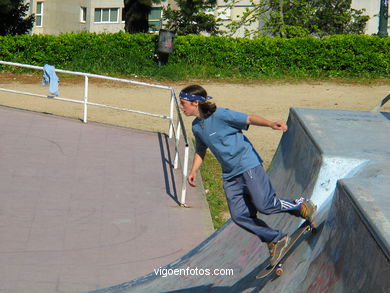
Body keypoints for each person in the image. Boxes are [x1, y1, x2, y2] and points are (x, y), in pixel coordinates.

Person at [178, 84, 317, 266]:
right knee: (239, 215)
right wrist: (194, 170)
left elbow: (249, 119)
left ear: (195, 103)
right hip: (230, 175)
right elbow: (201, 150)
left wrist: (269, 124)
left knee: (266, 205)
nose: (181, 107)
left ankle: (299, 206)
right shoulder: (196, 127)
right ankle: (275, 239)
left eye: (183, 103)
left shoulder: (221, 115)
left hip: (247, 164)